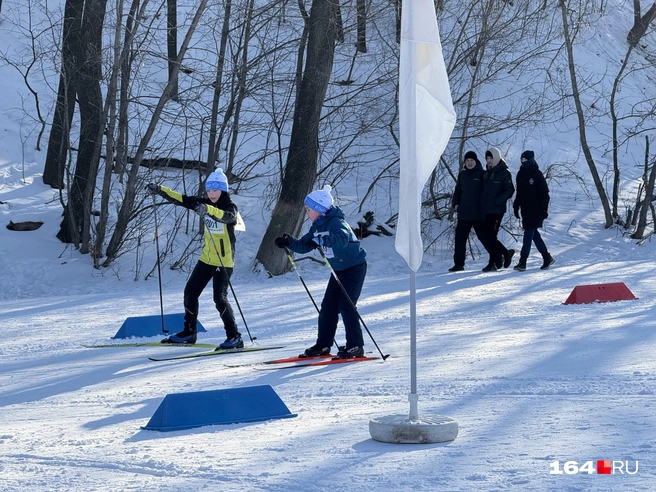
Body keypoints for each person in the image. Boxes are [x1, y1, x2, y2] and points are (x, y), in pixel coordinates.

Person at [146, 169, 243, 348]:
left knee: (219, 298)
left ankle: (234, 337)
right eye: (209, 190)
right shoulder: (204, 203)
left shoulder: (230, 207)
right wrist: (160, 190)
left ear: (223, 190)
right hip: (206, 259)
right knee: (190, 293)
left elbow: (228, 217)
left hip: (223, 261)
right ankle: (189, 332)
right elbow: (183, 200)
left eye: (216, 190)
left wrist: (208, 209)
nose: (211, 194)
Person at [274, 185, 367, 359]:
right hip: (338, 270)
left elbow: (341, 239)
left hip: (354, 268)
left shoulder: (336, 222)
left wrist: (322, 239)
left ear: (319, 209)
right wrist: (289, 242)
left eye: (309, 209)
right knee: (328, 307)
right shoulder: (317, 226)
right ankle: (324, 344)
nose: (307, 213)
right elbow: (304, 245)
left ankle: (355, 346)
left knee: (346, 306)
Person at [512, 151, 555, 271]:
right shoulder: (520, 174)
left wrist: (544, 209)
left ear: (531, 160)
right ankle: (547, 257)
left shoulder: (537, 174)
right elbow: (519, 192)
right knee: (534, 235)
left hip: (536, 210)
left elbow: (544, 193)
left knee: (528, 235)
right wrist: (516, 206)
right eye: (522, 160)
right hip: (525, 210)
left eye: (525, 160)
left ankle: (523, 261)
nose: (523, 162)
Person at [448, 151, 488, 272]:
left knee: (485, 237)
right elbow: (458, 190)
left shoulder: (482, 174)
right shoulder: (462, 175)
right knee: (460, 239)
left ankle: (500, 256)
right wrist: (455, 203)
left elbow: (486, 192)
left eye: (472, 160)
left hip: (478, 213)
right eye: (467, 161)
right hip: (464, 213)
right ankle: (459, 264)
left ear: (476, 161)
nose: (470, 163)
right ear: (465, 162)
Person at [480, 147, 515, 272]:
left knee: (491, 236)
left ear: (496, 158)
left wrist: (498, 200)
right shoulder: (486, 173)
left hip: (497, 210)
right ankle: (505, 253)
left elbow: (510, 190)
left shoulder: (504, 172)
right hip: (485, 210)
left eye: (491, 158)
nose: (489, 161)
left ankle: (493, 262)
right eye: (487, 158)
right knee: (485, 236)